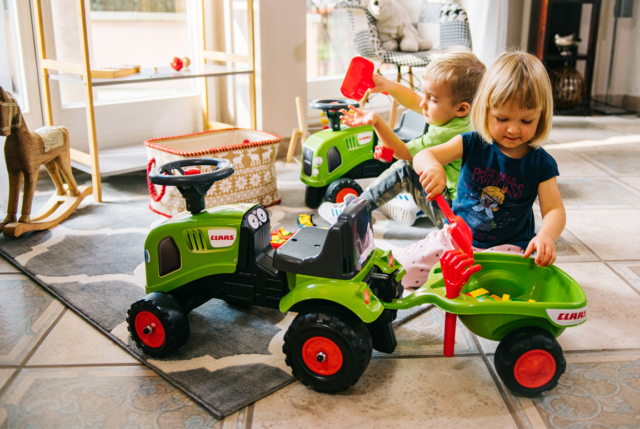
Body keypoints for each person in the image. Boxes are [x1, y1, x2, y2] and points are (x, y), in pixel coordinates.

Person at [399, 50, 565, 289]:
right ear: (485, 110)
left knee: (516, 287)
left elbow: (554, 209)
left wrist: (546, 236)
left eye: (526, 121)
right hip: (456, 237)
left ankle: (473, 281)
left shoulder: (541, 163)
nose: (513, 130)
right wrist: (433, 166)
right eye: (502, 118)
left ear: (541, 117)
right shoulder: (471, 142)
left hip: (509, 246)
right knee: (401, 271)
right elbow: (424, 155)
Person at [318, 51, 486, 227]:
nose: (423, 103)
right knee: (429, 170)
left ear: (461, 109)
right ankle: (412, 204)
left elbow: (402, 152)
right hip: (467, 208)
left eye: (432, 99)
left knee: (407, 169)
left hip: (454, 220)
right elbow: (415, 100)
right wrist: (387, 85)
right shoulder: (469, 117)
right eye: (425, 94)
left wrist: (376, 121)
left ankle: (351, 213)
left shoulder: (445, 134)